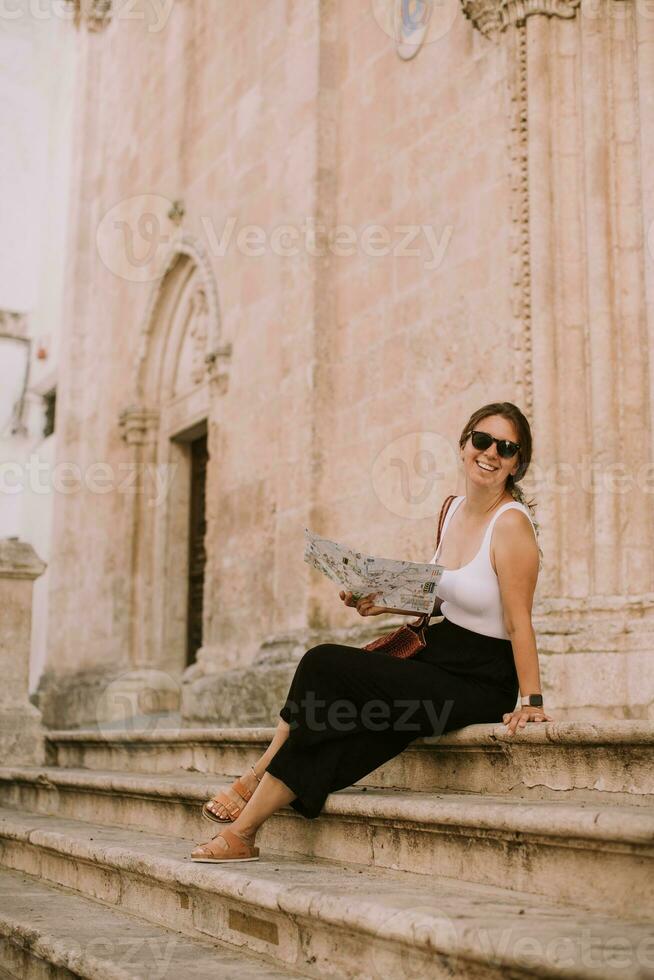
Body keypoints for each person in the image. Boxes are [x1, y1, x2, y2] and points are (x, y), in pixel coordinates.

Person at [191, 401, 554, 863]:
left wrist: (532, 702)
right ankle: (243, 834)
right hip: (439, 655)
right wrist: (381, 602)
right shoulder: (453, 509)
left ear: (517, 463)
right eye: (483, 441)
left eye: (506, 448)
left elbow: (519, 621)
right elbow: (442, 595)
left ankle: (255, 775)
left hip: (481, 680)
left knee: (322, 662)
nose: (491, 453)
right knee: (345, 724)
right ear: (464, 445)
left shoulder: (512, 527)